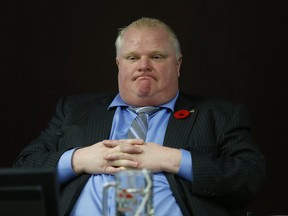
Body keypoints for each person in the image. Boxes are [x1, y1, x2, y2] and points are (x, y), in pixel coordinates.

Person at [14, 17, 265, 216]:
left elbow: (249, 177)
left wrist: (174, 159)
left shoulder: (218, 114)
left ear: (177, 64)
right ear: (119, 64)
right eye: (132, 57)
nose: (143, 65)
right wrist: (78, 159)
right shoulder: (75, 110)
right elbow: (23, 170)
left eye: (156, 56)